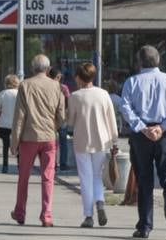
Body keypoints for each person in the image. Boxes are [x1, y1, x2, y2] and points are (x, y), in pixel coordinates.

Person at [118, 44, 166, 239]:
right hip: (165, 135)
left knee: (144, 179)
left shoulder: (132, 82)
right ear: (158, 61)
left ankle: (145, 225)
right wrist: (163, 127)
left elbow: (126, 107)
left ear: (139, 62)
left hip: (141, 136)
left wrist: (142, 127)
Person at [9, 54, 65, 227]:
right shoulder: (56, 86)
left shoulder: (25, 85)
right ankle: (46, 215)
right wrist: (53, 127)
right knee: (48, 177)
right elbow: (61, 115)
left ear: (32, 68)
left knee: (24, 176)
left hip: (29, 137)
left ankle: (20, 212)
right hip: (49, 137)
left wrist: (14, 142)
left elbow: (19, 116)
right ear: (48, 69)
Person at [67, 62, 119, 228]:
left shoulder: (75, 96)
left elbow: (70, 121)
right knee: (97, 176)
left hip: (82, 141)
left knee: (85, 178)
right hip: (102, 140)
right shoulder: (104, 94)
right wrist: (114, 140)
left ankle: (88, 215)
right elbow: (111, 119)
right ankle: (100, 202)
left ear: (79, 77)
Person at [0, 74, 19, 174]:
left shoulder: (3, 93)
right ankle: (20, 164)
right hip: (17, 124)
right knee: (19, 146)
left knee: (5, 146)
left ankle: (5, 166)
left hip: (4, 123)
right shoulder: (19, 93)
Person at [48, 66, 73, 171]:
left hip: (50, 117)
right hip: (62, 117)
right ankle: (63, 163)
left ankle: (52, 163)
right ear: (58, 77)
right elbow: (68, 101)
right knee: (63, 142)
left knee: (52, 142)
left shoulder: (47, 86)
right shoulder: (63, 88)